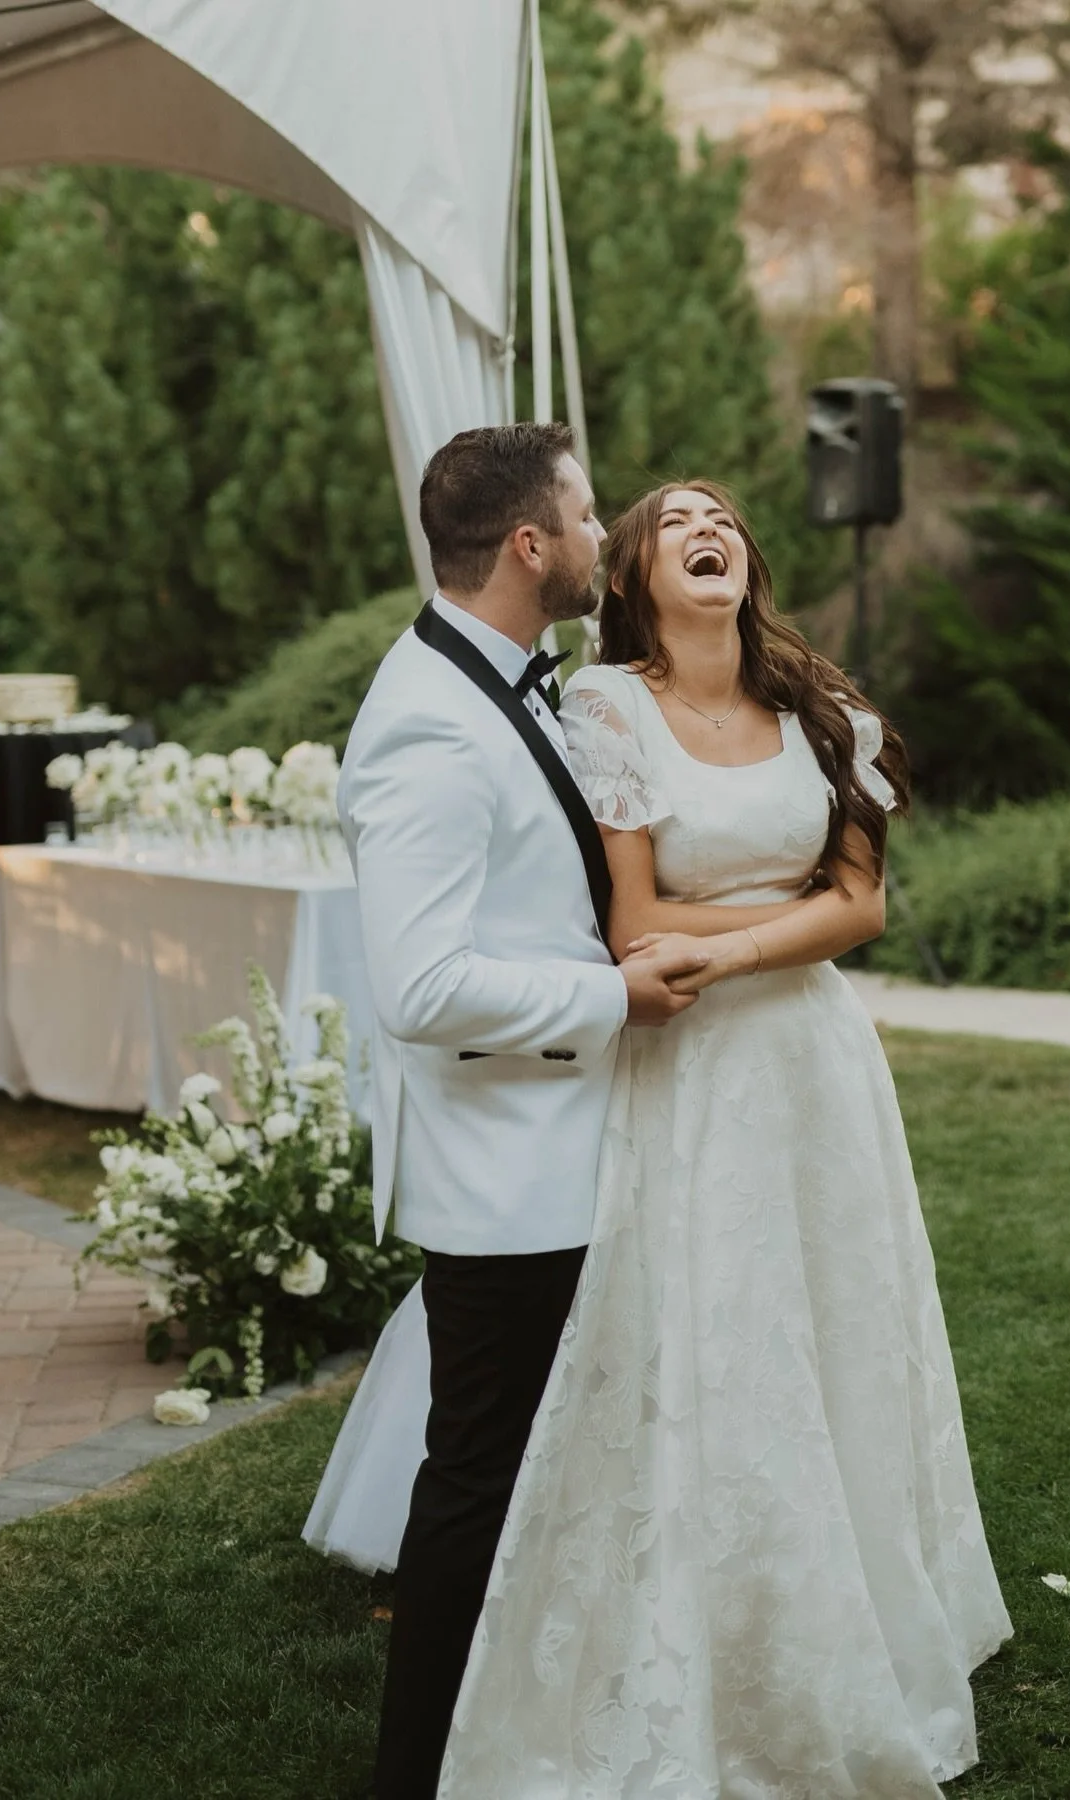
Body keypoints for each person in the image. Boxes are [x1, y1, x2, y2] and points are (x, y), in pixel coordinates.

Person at [431, 478, 1014, 1796]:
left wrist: (746, 936)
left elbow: (859, 905)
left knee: (839, 1328)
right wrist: (775, 922)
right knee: (709, 1335)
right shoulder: (609, 708)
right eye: (672, 521)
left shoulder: (833, 716)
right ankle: (713, 1632)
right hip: (689, 1066)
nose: (708, 530)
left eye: (726, 520)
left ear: (747, 562)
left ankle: (856, 1612)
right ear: (631, 573)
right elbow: (633, 925)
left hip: (813, 1061)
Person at [331, 423, 709, 1800]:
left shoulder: (507, 681)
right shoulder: (427, 723)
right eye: (591, 513)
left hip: (556, 1152)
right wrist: (615, 1002)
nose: (609, 536)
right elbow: (422, 985)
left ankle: (537, 1734)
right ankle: (423, 1769)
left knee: (541, 1479)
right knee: (482, 1487)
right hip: (507, 1177)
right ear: (531, 545)